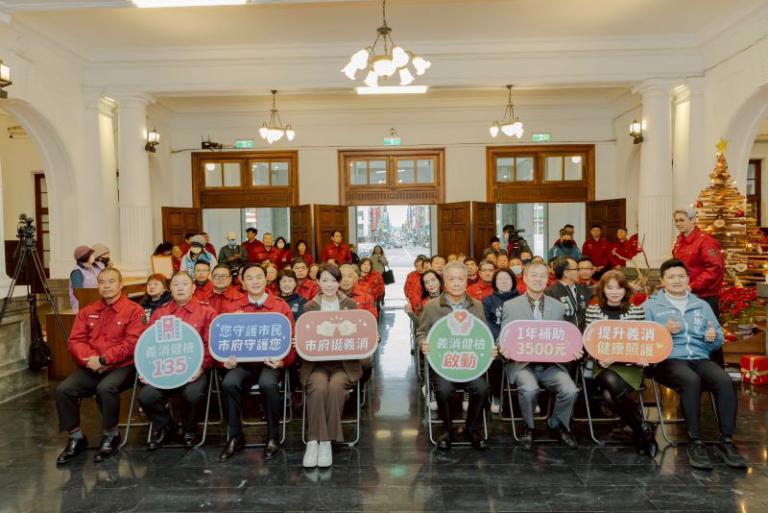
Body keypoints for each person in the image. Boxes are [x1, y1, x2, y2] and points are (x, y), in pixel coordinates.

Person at [644, 258, 746, 470]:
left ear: (688, 278)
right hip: (668, 360)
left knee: (725, 381)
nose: (677, 280)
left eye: (681, 276)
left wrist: (713, 337)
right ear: (662, 281)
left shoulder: (701, 305)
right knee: (691, 381)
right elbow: (643, 339)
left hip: (700, 358)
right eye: (671, 277)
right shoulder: (651, 306)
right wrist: (663, 331)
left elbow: (718, 338)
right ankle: (695, 441)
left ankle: (726, 440)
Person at [55, 268, 146, 465]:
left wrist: (105, 360)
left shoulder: (134, 310)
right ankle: (76, 437)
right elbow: (75, 341)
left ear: (121, 284)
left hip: (123, 366)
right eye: (102, 282)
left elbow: (133, 343)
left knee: (105, 388)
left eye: (111, 281)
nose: (106, 286)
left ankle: (111, 435)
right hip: (92, 365)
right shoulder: (88, 311)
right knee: (64, 389)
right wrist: (91, 360)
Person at [218, 264, 296, 461]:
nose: (254, 281)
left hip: (270, 362)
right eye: (249, 278)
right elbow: (221, 342)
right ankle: (235, 436)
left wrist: (282, 361)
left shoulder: (280, 306)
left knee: (268, 384)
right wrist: (225, 361)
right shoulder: (232, 307)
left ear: (266, 280)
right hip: (243, 363)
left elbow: (292, 341)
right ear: (242, 283)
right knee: (228, 383)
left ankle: (273, 436)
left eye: (259, 277)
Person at [500, 261, 580, 450]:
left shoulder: (558, 306)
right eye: (533, 275)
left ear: (547, 279)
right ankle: (528, 428)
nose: (538, 279)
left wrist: (573, 348)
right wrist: (502, 347)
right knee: (529, 389)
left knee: (570, 390)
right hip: (522, 364)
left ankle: (556, 425)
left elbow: (563, 336)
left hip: (551, 364)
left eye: (542, 276)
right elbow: (504, 335)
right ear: (525, 278)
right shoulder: (511, 305)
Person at [418, 261, 494, 451]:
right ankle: (447, 430)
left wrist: (490, 348)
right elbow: (421, 333)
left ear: (467, 281)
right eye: (452, 279)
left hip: (469, 364)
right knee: (444, 390)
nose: (457, 283)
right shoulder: (432, 306)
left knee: (482, 389)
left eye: (461, 279)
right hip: (443, 364)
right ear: (444, 281)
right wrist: (423, 343)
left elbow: (483, 333)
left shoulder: (476, 305)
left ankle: (471, 429)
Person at [139, 272, 217, 450]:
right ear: (170, 289)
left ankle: (189, 430)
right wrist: (147, 370)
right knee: (146, 396)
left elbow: (211, 344)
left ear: (193, 287)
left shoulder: (207, 312)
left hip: (195, 369)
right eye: (175, 284)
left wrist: (202, 367)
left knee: (192, 394)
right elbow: (149, 344)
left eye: (184, 284)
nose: (180, 288)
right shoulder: (160, 313)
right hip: (166, 369)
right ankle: (167, 427)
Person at [585, 270, 657, 457]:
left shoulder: (636, 310)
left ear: (625, 290)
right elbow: (589, 342)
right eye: (610, 288)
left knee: (609, 396)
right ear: (603, 290)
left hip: (630, 366)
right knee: (609, 378)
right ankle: (643, 430)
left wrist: (641, 356)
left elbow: (641, 341)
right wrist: (597, 357)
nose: (614, 292)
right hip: (604, 365)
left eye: (619, 288)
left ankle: (640, 431)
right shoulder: (593, 311)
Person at [301, 264, 362, 468]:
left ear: (339, 282)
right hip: (316, 364)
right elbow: (305, 336)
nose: (329, 285)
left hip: (343, 364)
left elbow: (357, 335)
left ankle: (325, 442)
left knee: (336, 388)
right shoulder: (309, 307)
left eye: (334, 280)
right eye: (325, 280)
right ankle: (313, 442)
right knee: (318, 388)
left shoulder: (350, 305)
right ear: (317, 281)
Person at [671, 207, 725, 366]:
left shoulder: (705, 241)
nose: (678, 223)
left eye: (682, 220)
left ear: (693, 220)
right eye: (676, 220)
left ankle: (716, 372)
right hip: (686, 297)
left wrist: (692, 286)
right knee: (692, 334)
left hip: (705, 298)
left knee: (710, 335)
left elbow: (715, 268)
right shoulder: (679, 241)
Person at [483, 268, 519, 414]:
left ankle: (531, 397)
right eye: (500, 279)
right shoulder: (488, 300)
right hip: (496, 342)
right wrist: (501, 341)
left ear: (513, 281)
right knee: (495, 361)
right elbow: (488, 323)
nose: (504, 281)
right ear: (495, 282)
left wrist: (513, 341)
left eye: (507, 278)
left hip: (518, 342)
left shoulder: (522, 299)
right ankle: (497, 396)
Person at [546, 256, 592, 332]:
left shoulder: (584, 290)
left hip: (582, 335)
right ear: (566, 273)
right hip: (563, 335)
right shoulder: (550, 292)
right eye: (577, 269)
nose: (579, 272)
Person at [68, 245, 100, 312]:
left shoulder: (92, 269)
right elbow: (79, 293)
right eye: (91, 254)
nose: (93, 256)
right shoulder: (77, 272)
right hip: (81, 308)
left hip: (92, 305)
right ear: (85, 256)